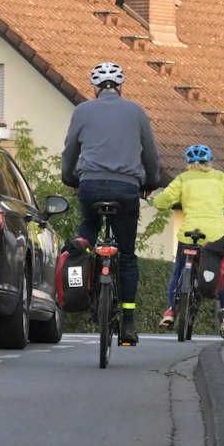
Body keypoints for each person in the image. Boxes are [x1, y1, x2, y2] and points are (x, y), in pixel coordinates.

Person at [60, 62, 161, 346]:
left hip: (90, 186)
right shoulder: (137, 112)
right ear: (121, 87)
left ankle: (82, 245)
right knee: (127, 255)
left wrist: (70, 178)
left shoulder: (82, 111)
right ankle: (128, 321)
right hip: (127, 189)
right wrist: (150, 182)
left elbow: (70, 151)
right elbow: (151, 155)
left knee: (89, 224)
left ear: (94, 89)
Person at [151, 145, 224, 338]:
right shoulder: (221, 178)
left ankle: (171, 311)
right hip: (215, 236)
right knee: (221, 274)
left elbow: (165, 200)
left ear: (189, 164)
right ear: (210, 162)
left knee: (179, 270)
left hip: (189, 234)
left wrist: (155, 202)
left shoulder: (183, 179)